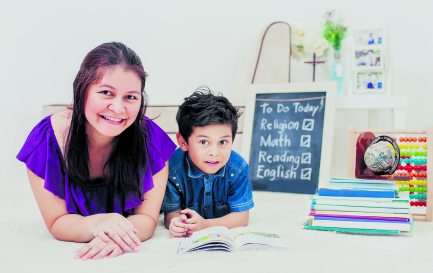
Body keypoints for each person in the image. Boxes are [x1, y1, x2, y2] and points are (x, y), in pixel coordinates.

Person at [16, 42, 176, 259]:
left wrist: (118, 237)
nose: (118, 109)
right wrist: (98, 224)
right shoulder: (47, 139)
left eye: (130, 97)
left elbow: (147, 219)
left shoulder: (151, 140)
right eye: (106, 93)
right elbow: (56, 221)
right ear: (82, 91)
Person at [161, 87, 254, 238]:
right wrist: (178, 223)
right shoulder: (173, 168)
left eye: (223, 142)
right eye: (204, 142)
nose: (214, 152)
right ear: (183, 142)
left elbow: (242, 217)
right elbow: (171, 214)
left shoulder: (238, 168)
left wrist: (207, 225)